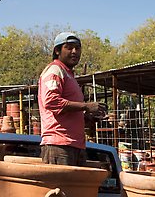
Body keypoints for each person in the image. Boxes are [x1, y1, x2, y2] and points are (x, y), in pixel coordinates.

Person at [38, 31, 108, 166]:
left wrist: (87, 118)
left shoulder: (68, 74)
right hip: (59, 144)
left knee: (74, 187)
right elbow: (51, 101)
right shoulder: (55, 70)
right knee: (62, 187)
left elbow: (67, 111)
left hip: (73, 144)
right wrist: (86, 106)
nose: (74, 51)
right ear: (57, 51)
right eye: (69, 47)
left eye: (77, 48)